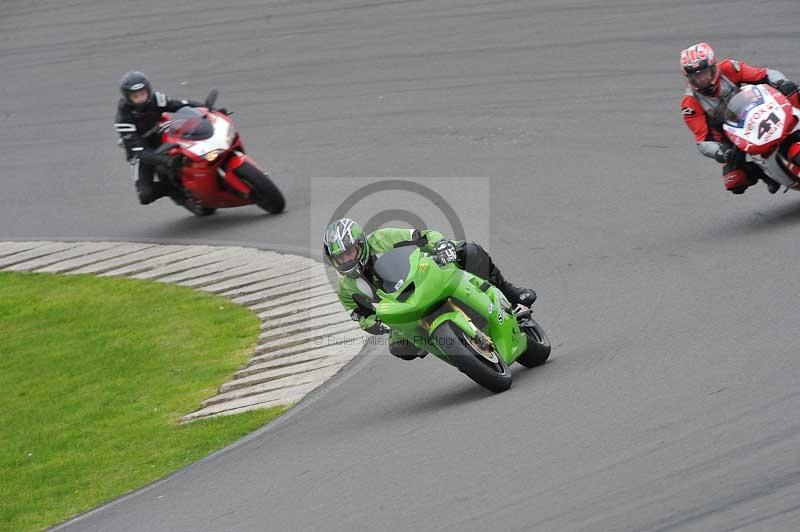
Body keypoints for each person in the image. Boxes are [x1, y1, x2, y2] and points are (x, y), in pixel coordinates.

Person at [322, 218, 537, 360]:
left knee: (469, 251)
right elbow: (360, 317)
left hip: (424, 277)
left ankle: (510, 293)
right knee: (400, 348)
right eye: (340, 258)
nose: (347, 260)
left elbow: (424, 236)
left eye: (349, 253)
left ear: (361, 244)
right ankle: (450, 345)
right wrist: (378, 324)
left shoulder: (383, 238)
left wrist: (442, 246)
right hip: (402, 311)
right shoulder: (346, 289)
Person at [679, 42, 798, 194]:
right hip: (732, 138)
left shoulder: (729, 68)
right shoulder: (689, 104)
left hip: (760, 111)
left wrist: (782, 82)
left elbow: (765, 74)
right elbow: (703, 142)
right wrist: (721, 152)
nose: (701, 79)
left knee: (795, 93)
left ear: (713, 67)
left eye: (703, 73)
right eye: (695, 76)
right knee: (734, 181)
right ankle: (764, 173)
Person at [114, 71, 205, 205]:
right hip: (141, 150)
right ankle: (173, 190)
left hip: (161, 135)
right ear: (128, 98)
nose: (140, 98)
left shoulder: (156, 99)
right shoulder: (123, 119)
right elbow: (141, 152)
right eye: (135, 96)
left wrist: (207, 108)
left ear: (148, 91)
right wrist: (167, 160)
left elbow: (178, 104)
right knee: (145, 195)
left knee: (193, 142)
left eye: (142, 94)